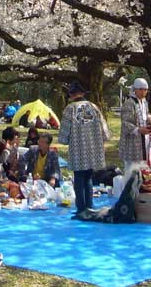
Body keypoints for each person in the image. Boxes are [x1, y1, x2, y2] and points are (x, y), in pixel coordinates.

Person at [59, 81, 109, 214]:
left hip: (78, 148)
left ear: (72, 94)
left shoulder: (70, 108)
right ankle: (90, 205)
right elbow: (104, 128)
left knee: (79, 178)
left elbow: (64, 132)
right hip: (93, 147)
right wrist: (103, 139)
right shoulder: (93, 107)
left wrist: (64, 140)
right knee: (88, 177)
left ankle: (81, 208)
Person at [119, 77, 151, 171]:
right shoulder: (129, 103)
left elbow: (146, 114)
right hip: (132, 141)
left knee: (143, 167)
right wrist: (138, 129)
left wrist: (150, 118)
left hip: (144, 139)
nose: (143, 92)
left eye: (145, 90)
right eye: (141, 89)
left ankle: (142, 184)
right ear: (135, 89)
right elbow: (125, 123)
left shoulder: (144, 102)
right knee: (132, 169)